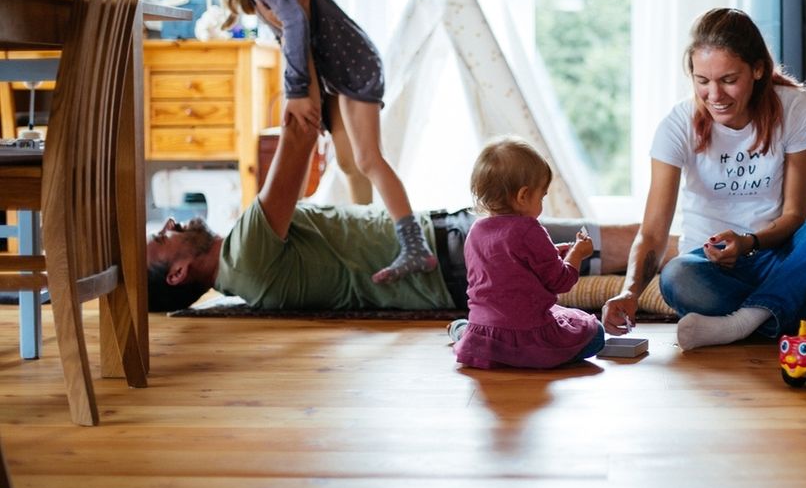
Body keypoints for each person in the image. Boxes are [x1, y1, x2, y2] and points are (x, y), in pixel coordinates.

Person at [146, 117, 653, 314]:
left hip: (452, 263)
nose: (169, 224)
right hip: (454, 252)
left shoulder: (249, 284)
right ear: (178, 272)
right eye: (160, 239)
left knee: (616, 254)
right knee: (627, 240)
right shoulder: (245, 252)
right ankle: (704, 257)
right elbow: (299, 131)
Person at [600, 8, 806, 351]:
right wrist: (630, 291)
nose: (714, 95)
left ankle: (744, 321)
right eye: (702, 81)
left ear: (758, 69)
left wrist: (749, 242)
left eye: (728, 79)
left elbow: (794, 216)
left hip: (781, 256)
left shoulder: (796, 109)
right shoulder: (677, 125)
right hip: (710, 268)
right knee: (676, 276)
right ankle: (791, 313)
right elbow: (653, 232)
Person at [193, 0, 435, 283]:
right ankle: (369, 234)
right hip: (338, 71)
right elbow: (288, 28)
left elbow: (294, 23)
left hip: (353, 66)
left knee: (367, 158)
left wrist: (297, 91)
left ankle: (414, 247)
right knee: (347, 162)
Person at [451, 137, 605, 369]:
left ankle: (463, 332)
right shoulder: (529, 229)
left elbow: (505, 266)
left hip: (486, 330)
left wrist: (551, 252)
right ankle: (521, 355)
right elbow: (560, 281)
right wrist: (577, 254)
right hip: (528, 338)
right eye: (542, 196)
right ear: (523, 196)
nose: (543, 202)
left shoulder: (476, 230)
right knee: (596, 334)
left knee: (479, 333)